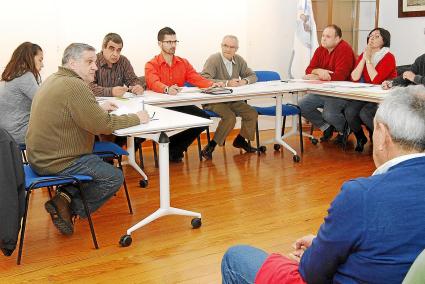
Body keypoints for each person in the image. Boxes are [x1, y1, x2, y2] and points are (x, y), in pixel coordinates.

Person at [221, 85, 425, 284]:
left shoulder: (361, 195)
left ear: (382, 135)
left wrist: (316, 253)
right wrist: (322, 245)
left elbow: (312, 274)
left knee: (236, 257)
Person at [26, 43, 149, 235]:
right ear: (73, 63)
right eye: (89, 62)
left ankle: (65, 196)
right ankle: (67, 206)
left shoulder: (54, 79)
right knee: (114, 177)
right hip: (59, 160)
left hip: (39, 156)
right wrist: (137, 118)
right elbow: (104, 126)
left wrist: (97, 109)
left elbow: (72, 113)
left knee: (96, 160)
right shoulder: (76, 86)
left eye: (95, 62)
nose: (95, 66)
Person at [145, 27, 223, 162]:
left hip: (178, 104)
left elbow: (195, 78)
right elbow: (153, 83)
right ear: (160, 43)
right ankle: (171, 150)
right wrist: (167, 89)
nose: (173, 45)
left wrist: (211, 85)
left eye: (175, 41)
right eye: (168, 42)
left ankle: (174, 149)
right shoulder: (151, 64)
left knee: (203, 119)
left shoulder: (183, 62)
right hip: (159, 108)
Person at [200, 35, 258, 159]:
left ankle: (240, 140)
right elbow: (204, 79)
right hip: (214, 100)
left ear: (236, 49)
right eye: (225, 45)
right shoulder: (214, 59)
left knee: (251, 113)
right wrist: (226, 83)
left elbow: (253, 75)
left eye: (232, 47)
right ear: (221, 46)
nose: (228, 49)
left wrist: (245, 81)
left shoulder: (239, 60)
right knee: (230, 117)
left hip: (231, 100)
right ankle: (211, 146)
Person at [298, 24, 356, 142]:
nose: (323, 38)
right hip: (324, 90)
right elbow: (308, 69)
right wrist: (319, 71)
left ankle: (344, 129)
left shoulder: (345, 49)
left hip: (341, 92)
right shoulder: (320, 49)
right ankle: (326, 127)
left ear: (337, 39)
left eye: (328, 36)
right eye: (323, 35)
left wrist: (316, 76)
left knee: (328, 114)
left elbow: (340, 76)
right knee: (302, 105)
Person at [345, 28, 397, 152]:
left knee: (365, 113)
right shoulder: (365, 54)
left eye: (377, 36)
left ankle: (379, 137)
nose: (372, 38)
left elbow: (376, 80)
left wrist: (368, 60)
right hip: (367, 94)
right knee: (349, 111)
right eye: (371, 35)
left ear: (384, 41)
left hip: (383, 97)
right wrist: (364, 57)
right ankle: (360, 137)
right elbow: (354, 77)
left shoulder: (388, 57)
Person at [0, 42, 43, 144]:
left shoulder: (8, 77)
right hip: (19, 134)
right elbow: (44, 102)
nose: (42, 64)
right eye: (40, 60)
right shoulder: (25, 76)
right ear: (30, 58)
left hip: (6, 134)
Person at [90, 33, 144, 97]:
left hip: (120, 103)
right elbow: (88, 88)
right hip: (99, 104)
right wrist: (111, 92)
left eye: (118, 50)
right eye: (112, 49)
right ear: (103, 47)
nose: (115, 54)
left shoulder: (123, 61)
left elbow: (133, 80)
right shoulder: (93, 61)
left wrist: (137, 87)